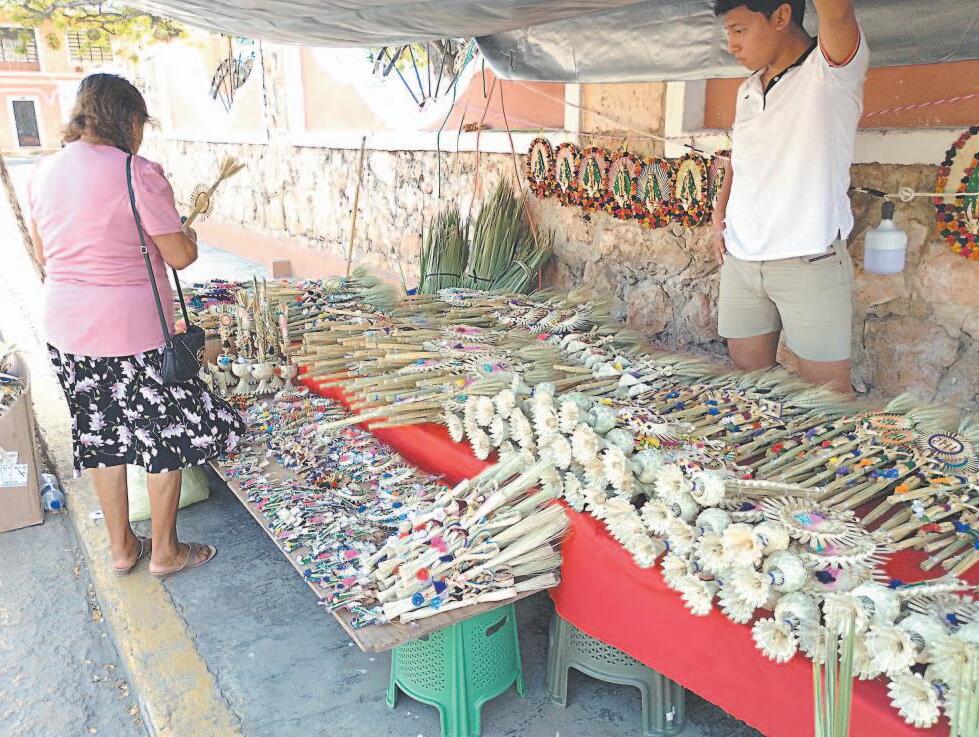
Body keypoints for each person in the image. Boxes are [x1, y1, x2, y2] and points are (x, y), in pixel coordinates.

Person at [28, 73, 244, 577]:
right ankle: (165, 552)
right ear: (127, 120)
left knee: (101, 435)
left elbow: (44, 255)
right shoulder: (136, 172)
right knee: (163, 435)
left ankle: (122, 547)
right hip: (133, 333)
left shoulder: (42, 171)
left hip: (67, 330)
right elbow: (179, 255)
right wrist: (188, 234)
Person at [711, 0, 868, 395]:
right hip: (742, 259)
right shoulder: (748, 89)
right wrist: (718, 218)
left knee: (827, 393)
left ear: (780, 17)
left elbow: (837, 13)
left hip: (808, 258)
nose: (732, 45)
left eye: (739, 30)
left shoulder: (829, 73)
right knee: (749, 378)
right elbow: (740, 160)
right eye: (729, 33)